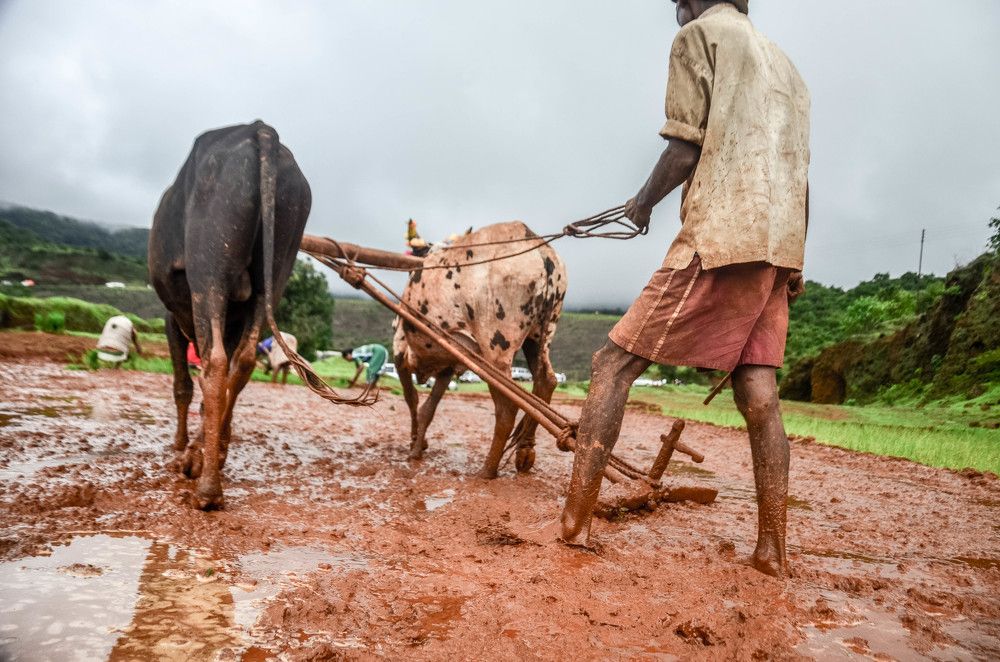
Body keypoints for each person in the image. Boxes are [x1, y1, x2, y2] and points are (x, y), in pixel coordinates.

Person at [557, 0, 810, 578]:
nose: (674, 9)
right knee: (760, 399)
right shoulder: (786, 66)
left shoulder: (699, 36)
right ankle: (771, 552)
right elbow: (799, 172)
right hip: (778, 247)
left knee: (610, 365)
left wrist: (641, 203)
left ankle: (575, 523)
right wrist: (796, 260)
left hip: (721, 235)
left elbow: (684, 148)